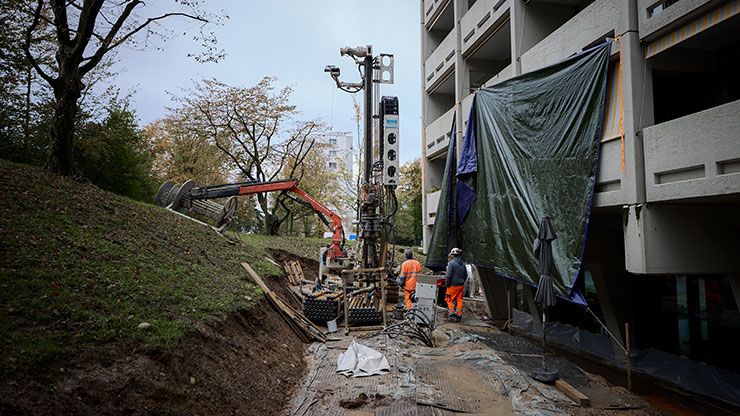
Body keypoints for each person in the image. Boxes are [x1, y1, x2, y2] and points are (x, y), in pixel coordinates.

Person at [445, 247, 466, 322]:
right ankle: (459, 314)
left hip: (453, 286)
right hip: (461, 285)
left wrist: (447, 283)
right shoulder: (463, 264)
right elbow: (465, 275)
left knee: (449, 299)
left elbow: (448, 275)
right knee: (459, 300)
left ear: (453, 255)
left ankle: (452, 315)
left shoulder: (451, 263)